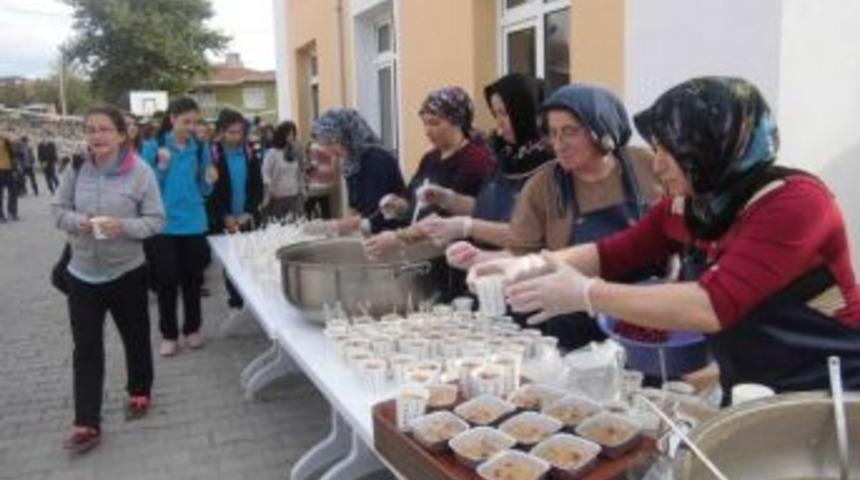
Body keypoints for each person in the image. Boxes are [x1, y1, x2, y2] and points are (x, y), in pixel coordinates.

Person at [474, 77, 860, 399]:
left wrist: (587, 293)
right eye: (655, 149)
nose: (656, 166)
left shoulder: (795, 204)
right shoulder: (691, 205)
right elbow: (613, 252)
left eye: (668, 152)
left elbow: (711, 305)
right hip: (752, 382)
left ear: (710, 149)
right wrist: (527, 264)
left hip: (831, 385)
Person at [458, 84, 663, 349]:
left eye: (569, 132)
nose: (558, 144)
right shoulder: (543, 187)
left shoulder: (647, 164)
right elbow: (521, 253)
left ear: (602, 127)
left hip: (648, 320)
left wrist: (674, 264)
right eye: (553, 133)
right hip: (575, 330)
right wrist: (483, 260)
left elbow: (675, 227)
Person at [53, 105, 165, 453]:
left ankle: (139, 391)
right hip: (82, 274)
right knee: (86, 348)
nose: (96, 136)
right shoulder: (75, 167)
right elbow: (57, 211)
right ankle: (87, 422)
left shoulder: (140, 172)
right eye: (90, 129)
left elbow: (156, 220)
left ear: (121, 134)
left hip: (127, 271)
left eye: (104, 129)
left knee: (135, 337)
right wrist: (78, 222)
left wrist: (123, 227)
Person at [416, 73, 553, 249]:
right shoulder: (505, 157)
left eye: (504, 113)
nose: (499, 123)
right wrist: (447, 198)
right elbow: (486, 209)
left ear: (524, 111)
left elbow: (531, 235)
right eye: (496, 114)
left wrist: (468, 227)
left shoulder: (549, 165)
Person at [362, 86, 494, 259]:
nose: (427, 131)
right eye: (425, 123)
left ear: (457, 122)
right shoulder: (430, 158)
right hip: (424, 251)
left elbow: (448, 216)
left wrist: (398, 238)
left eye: (434, 123)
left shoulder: (475, 159)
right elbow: (412, 197)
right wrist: (399, 205)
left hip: (456, 254)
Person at [146, 97, 217, 356]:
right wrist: (162, 167)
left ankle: (192, 328)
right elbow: (146, 187)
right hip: (164, 224)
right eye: (186, 122)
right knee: (166, 281)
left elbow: (204, 188)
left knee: (193, 280)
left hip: (193, 222)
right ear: (172, 118)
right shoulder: (154, 146)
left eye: (195, 122)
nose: (191, 127)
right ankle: (168, 334)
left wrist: (209, 181)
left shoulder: (200, 147)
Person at [305, 108, 406, 236]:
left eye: (331, 142)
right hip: (371, 234)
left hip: (391, 234)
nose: (329, 150)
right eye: (325, 144)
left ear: (347, 136)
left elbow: (374, 213)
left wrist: (332, 226)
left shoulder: (376, 159)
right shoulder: (352, 163)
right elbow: (355, 209)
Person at [207, 108, 263, 314]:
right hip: (226, 219)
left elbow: (257, 187)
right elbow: (211, 192)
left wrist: (249, 211)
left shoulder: (249, 153)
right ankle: (236, 301)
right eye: (231, 132)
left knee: (249, 258)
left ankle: (252, 298)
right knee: (232, 261)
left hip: (246, 217)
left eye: (240, 132)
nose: (236, 136)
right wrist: (225, 215)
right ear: (221, 132)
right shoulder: (213, 156)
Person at [261, 120, 304, 220]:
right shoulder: (272, 153)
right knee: (279, 225)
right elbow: (265, 172)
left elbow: (299, 172)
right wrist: (270, 189)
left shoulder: (294, 152)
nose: (292, 137)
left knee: (296, 223)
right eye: (289, 134)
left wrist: (301, 189)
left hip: (294, 195)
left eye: (293, 134)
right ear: (282, 135)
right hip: (278, 196)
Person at [0, 133, 18, 222]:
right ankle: (1, 215)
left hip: (8, 169)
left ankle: (12, 212)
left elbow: (13, 154)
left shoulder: (6, 140)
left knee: (13, 191)